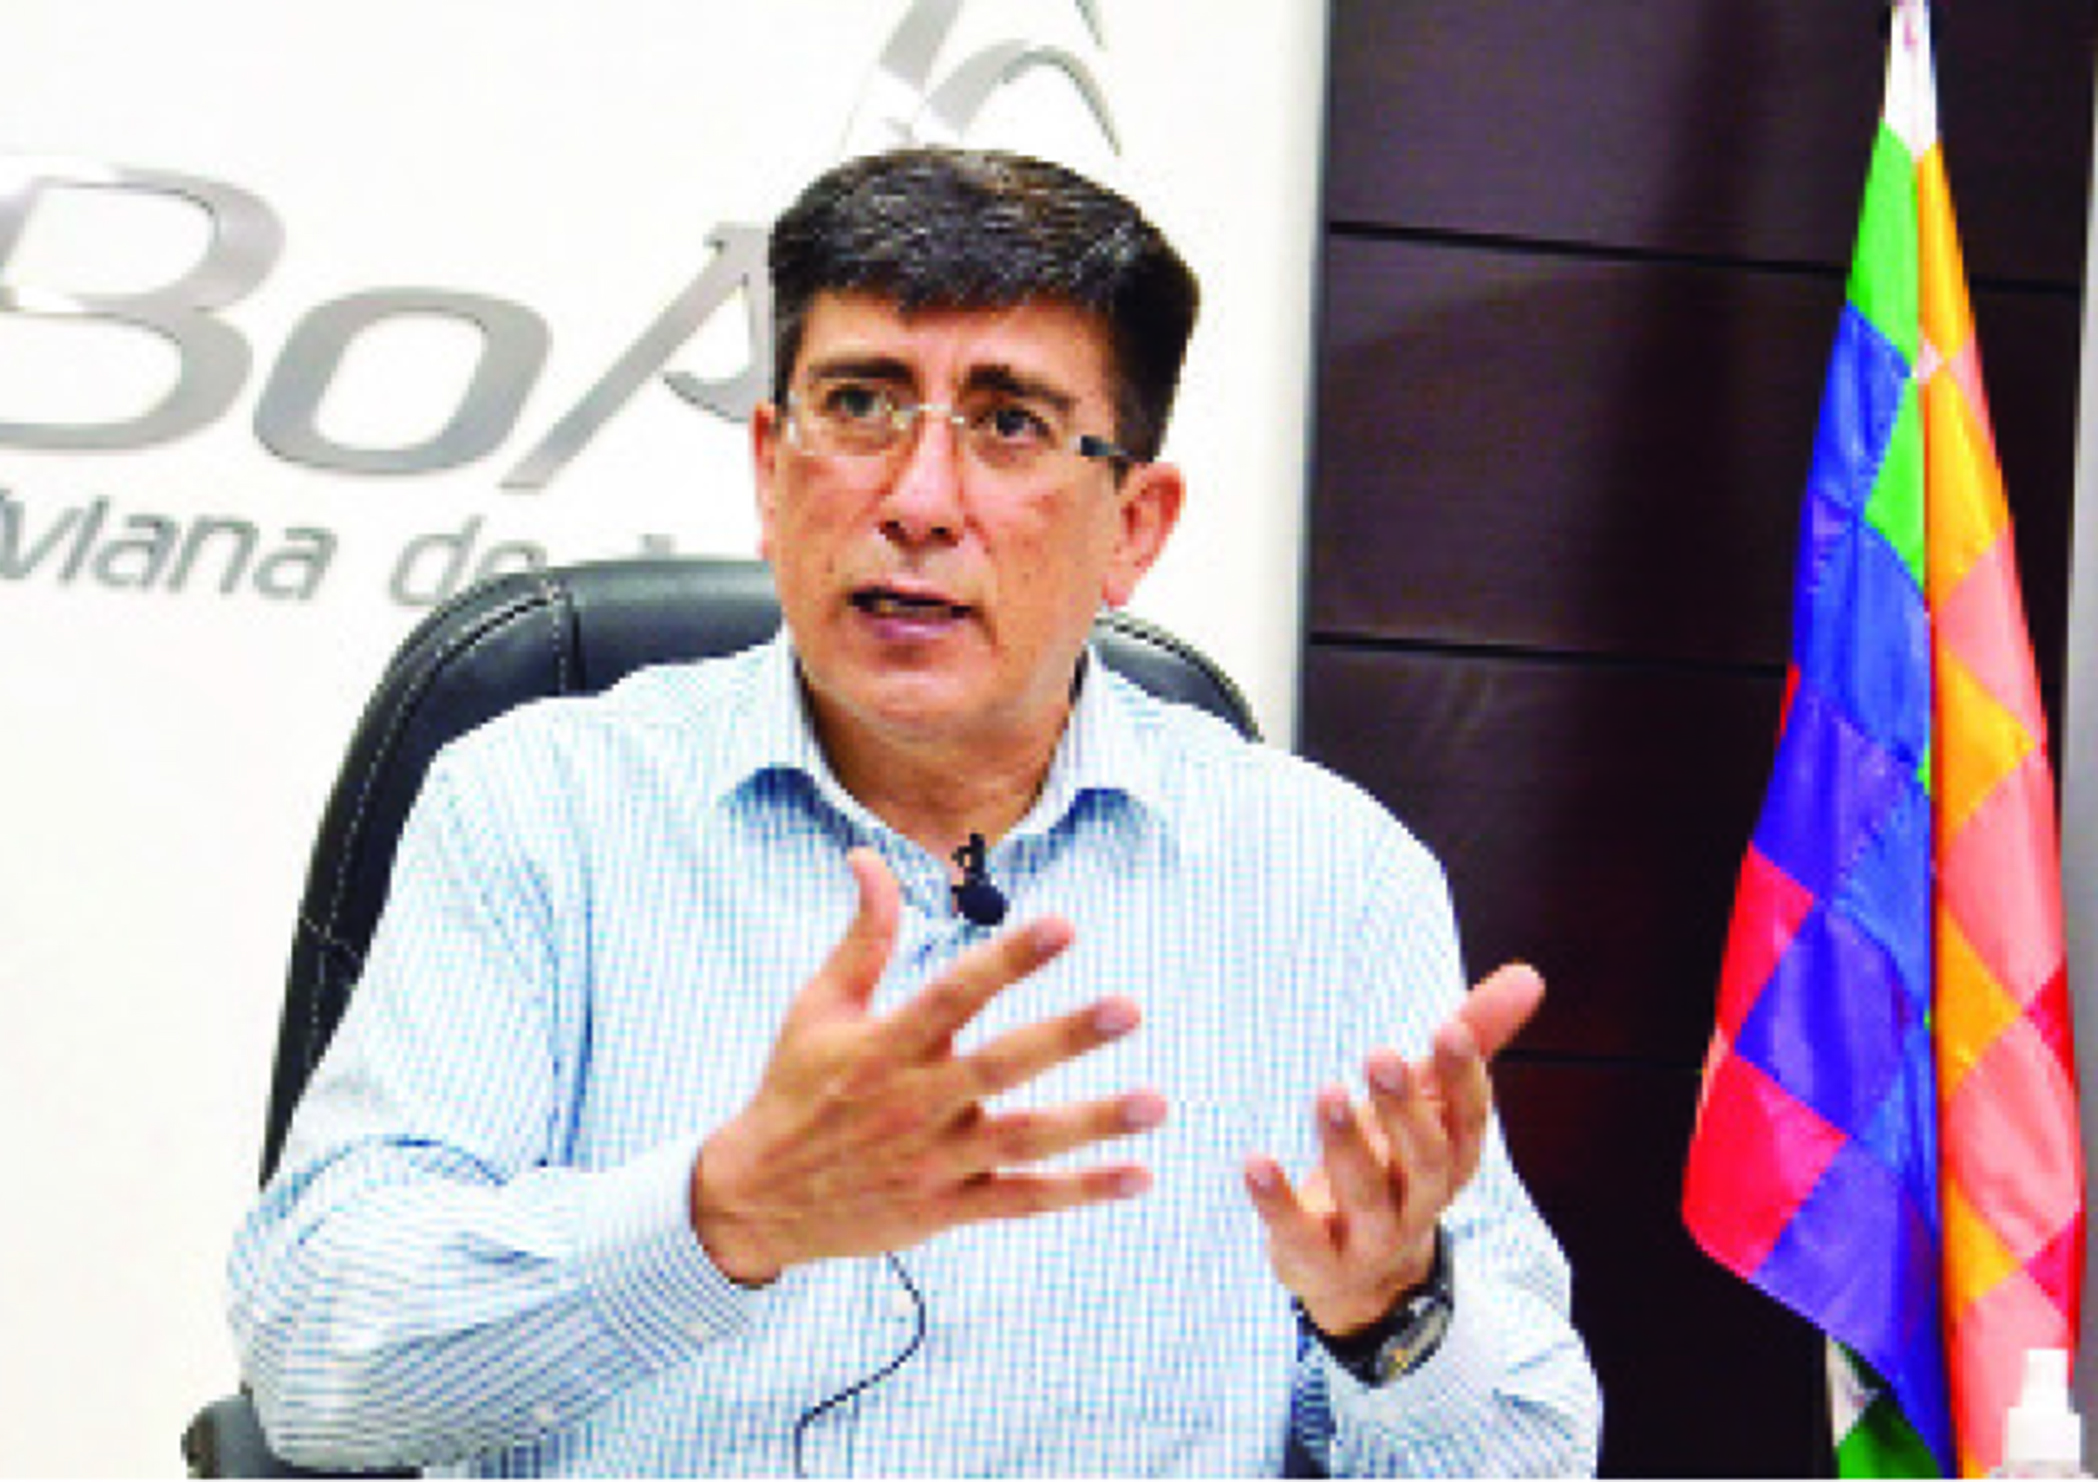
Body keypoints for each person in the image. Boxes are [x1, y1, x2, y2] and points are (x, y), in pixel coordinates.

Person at [227, 146, 1601, 1476]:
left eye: (1009, 424)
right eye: (861, 404)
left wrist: (1389, 1320)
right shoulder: (543, 808)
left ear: (1134, 525)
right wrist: (716, 1218)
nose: (918, 499)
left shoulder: (1326, 881)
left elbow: (1531, 1457)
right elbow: (311, 1354)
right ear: (771, 467)